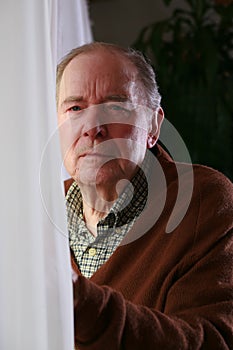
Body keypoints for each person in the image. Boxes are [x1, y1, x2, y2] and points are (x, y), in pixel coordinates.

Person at [56, 42, 233, 349]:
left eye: (115, 106)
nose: (92, 128)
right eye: (75, 108)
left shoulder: (205, 202)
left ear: (153, 125)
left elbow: (212, 341)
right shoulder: (37, 213)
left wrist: (81, 302)